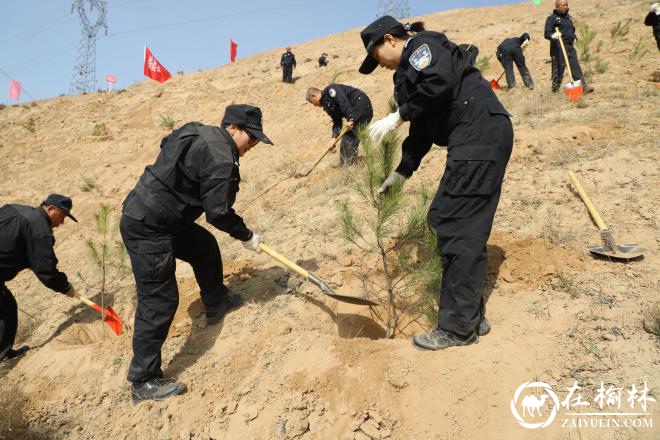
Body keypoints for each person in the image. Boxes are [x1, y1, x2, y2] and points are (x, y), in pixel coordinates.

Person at [358, 16, 513, 350]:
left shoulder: (421, 48)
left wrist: (398, 115)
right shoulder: (411, 74)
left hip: (477, 133)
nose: (378, 65)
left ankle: (458, 329)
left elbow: (438, 84)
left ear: (390, 39)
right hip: (479, 134)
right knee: (454, 222)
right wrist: (401, 172)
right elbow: (423, 128)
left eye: (376, 56)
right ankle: (470, 315)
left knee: (453, 224)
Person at [120, 104, 272, 403]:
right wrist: (246, 235)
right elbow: (218, 212)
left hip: (161, 216)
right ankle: (143, 381)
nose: (252, 145)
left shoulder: (194, 129)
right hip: (149, 227)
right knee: (159, 300)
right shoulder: (222, 159)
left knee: (203, 247)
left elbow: (167, 143)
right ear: (232, 128)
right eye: (250, 137)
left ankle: (217, 302)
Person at [0, 194, 77, 363]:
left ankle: (3, 352)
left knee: (6, 308)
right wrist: (65, 287)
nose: (62, 222)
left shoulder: (14, 208)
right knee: (6, 310)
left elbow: (11, 238)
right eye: (62, 216)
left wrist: (26, 258)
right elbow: (46, 271)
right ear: (51, 209)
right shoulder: (40, 229)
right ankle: (3, 354)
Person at [305, 84, 373, 165]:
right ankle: (347, 164)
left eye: (311, 102)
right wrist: (333, 137)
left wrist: (351, 119)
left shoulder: (330, 90)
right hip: (355, 112)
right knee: (347, 139)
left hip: (361, 105)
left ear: (314, 96)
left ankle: (348, 166)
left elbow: (343, 101)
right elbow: (337, 121)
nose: (313, 105)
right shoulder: (326, 105)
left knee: (348, 138)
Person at [544, 0, 594, 93]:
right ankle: (555, 91)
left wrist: (574, 37)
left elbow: (572, 30)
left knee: (575, 67)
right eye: (564, 5)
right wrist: (553, 35)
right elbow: (547, 33)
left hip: (569, 47)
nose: (566, 7)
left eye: (567, 5)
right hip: (558, 47)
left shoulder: (568, 17)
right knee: (558, 70)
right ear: (557, 7)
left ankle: (583, 87)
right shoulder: (552, 18)